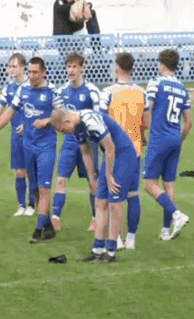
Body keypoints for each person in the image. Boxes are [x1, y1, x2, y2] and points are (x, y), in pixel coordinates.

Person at [0, 57, 63, 243]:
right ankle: (47, 226)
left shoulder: (53, 91)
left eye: (35, 72)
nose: (32, 75)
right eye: (30, 72)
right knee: (36, 188)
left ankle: (39, 230)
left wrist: (48, 121)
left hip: (46, 146)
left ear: (44, 72)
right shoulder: (23, 89)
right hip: (28, 145)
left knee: (44, 188)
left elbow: (63, 115)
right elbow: (10, 111)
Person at [50, 109, 137, 263]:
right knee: (100, 201)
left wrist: (109, 175)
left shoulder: (91, 121)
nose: (65, 133)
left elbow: (110, 147)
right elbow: (86, 151)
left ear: (67, 121)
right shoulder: (77, 127)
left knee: (114, 202)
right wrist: (92, 178)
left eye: (63, 130)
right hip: (110, 157)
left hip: (123, 154)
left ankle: (111, 252)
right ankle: (97, 249)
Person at [100, 53, 148, 250]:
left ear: (117, 68)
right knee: (133, 194)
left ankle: (116, 238)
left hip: (116, 151)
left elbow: (101, 120)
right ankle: (131, 238)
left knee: (114, 197)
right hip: (135, 151)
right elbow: (146, 122)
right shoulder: (141, 93)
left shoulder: (108, 92)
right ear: (133, 68)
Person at [0, 53, 36, 217]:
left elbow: (38, 110)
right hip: (16, 136)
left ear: (23, 67)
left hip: (32, 135)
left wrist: (28, 124)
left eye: (14, 66)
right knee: (19, 172)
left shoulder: (32, 86)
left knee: (31, 171)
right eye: (10, 66)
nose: (11, 69)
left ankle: (32, 204)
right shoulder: (8, 89)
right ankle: (21, 205)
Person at [143, 50, 191, 240]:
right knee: (168, 184)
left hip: (159, 137)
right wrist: (179, 140)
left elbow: (147, 108)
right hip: (175, 138)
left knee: (149, 183)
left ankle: (177, 214)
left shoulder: (156, 83)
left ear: (162, 64)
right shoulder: (183, 88)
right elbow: (188, 122)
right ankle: (165, 231)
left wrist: (143, 131)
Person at [51, 53, 102, 232]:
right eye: (69, 67)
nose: (71, 70)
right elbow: (57, 115)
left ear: (82, 68)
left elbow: (99, 117)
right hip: (70, 143)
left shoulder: (92, 91)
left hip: (88, 143)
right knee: (61, 180)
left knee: (92, 182)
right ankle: (55, 218)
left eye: (74, 67)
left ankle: (96, 218)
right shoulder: (62, 91)